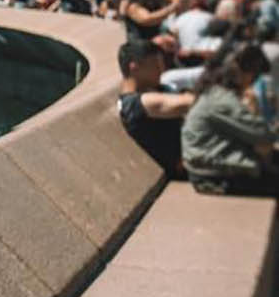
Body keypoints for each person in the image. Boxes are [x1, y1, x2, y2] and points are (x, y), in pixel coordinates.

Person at [180, 43, 279, 195]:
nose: (254, 81)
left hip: (214, 167)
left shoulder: (215, 91)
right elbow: (264, 135)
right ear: (243, 72)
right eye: (255, 74)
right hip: (216, 177)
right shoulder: (223, 101)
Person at [116, 39, 194, 175]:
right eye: (155, 65)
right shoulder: (134, 104)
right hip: (190, 164)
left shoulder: (156, 89)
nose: (161, 70)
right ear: (134, 67)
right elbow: (184, 103)